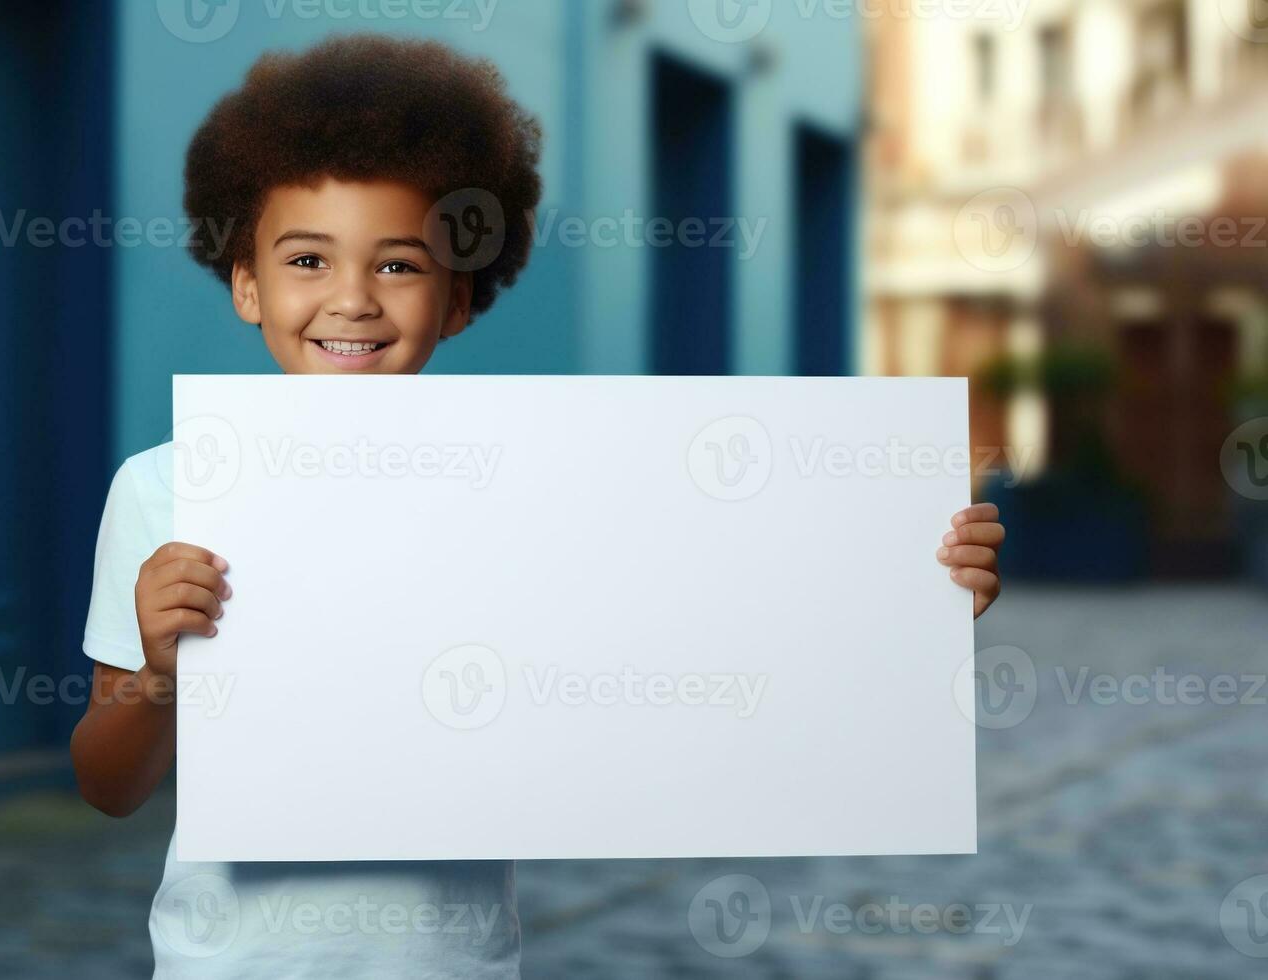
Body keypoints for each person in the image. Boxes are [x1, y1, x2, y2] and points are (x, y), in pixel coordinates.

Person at [69, 33, 1003, 978]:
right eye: (307, 260)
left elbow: (704, 628)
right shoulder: (165, 489)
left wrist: (911, 601)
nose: (351, 300)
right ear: (245, 285)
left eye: (397, 265)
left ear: (460, 301)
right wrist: (159, 670)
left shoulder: (523, 491)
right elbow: (109, 786)